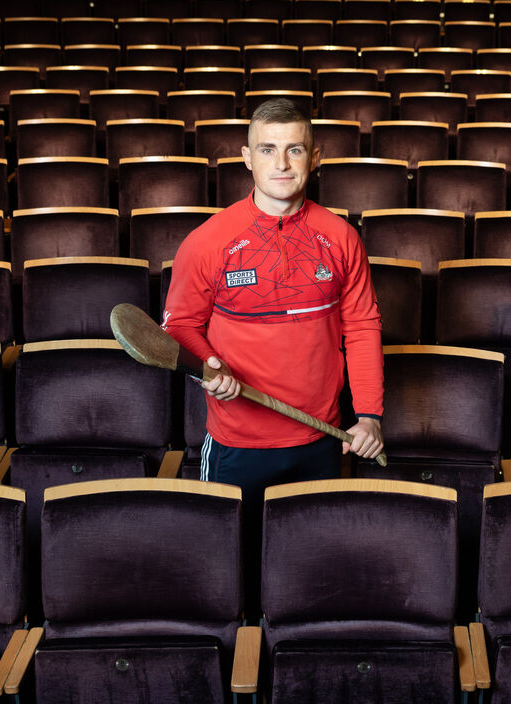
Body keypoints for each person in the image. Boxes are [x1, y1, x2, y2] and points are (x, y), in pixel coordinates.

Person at [161, 96, 385, 497]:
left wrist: (368, 415)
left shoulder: (341, 237)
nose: (281, 164)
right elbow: (180, 326)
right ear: (248, 157)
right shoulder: (206, 241)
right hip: (237, 441)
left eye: (294, 149)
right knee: (230, 557)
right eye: (268, 149)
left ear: (313, 157)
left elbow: (363, 328)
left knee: (309, 558)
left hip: (322, 436)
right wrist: (210, 369)